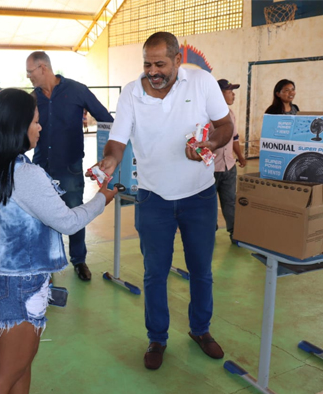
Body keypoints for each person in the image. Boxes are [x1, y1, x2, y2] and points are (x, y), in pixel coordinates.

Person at [98, 32, 234, 370]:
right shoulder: (132, 92)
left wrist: (210, 145)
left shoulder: (201, 82)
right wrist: (110, 161)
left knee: (201, 270)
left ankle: (200, 330)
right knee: (154, 273)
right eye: (147, 64)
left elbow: (225, 126)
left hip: (200, 196)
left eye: (160, 64)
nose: (153, 71)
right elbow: (117, 140)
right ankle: (157, 337)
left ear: (177, 60)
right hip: (153, 197)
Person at [0, 89, 117, 394]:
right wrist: (103, 198)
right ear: (18, 127)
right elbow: (67, 222)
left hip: (11, 282)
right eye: (36, 122)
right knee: (5, 374)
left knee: (20, 368)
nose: (40, 128)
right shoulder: (26, 173)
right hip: (20, 288)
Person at [26, 51, 114, 281]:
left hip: (69, 167)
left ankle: (79, 260)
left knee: (75, 212)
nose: (28, 77)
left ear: (43, 68)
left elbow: (106, 119)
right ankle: (47, 262)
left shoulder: (77, 90)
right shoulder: (32, 99)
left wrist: (108, 155)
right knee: (41, 217)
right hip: (40, 168)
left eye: (30, 72)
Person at [211, 79, 247, 242]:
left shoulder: (230, 114)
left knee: (230, 201)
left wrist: (239, 156)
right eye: (229, 91)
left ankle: (235, 233)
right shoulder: (207, 114)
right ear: (219, 93)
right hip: (210, 169)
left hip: (229, 166)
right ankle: (209, 230)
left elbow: (235, 138)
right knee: (209, 203)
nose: (233, 95)